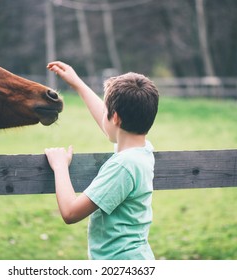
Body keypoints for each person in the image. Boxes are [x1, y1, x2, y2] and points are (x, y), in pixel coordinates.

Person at [44, 61, 159, 260]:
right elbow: (110, 122)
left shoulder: (123, 166)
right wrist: (78, 83)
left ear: (115, 118)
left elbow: (70, 213)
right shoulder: (141, 151)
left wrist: (60, 166)